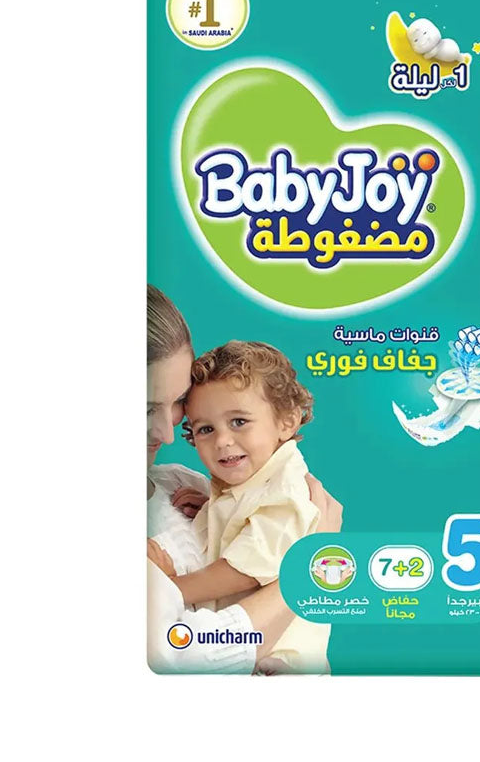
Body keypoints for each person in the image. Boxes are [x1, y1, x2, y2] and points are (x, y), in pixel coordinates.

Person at [145, 285, 341, 673]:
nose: (222, 441)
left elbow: (247, 567)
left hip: (285, 661)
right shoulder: (236, 490)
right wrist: (218, 511)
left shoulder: (288, 489)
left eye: (239, 421)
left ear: (287, 421)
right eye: (204, 428)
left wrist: (174, 588)